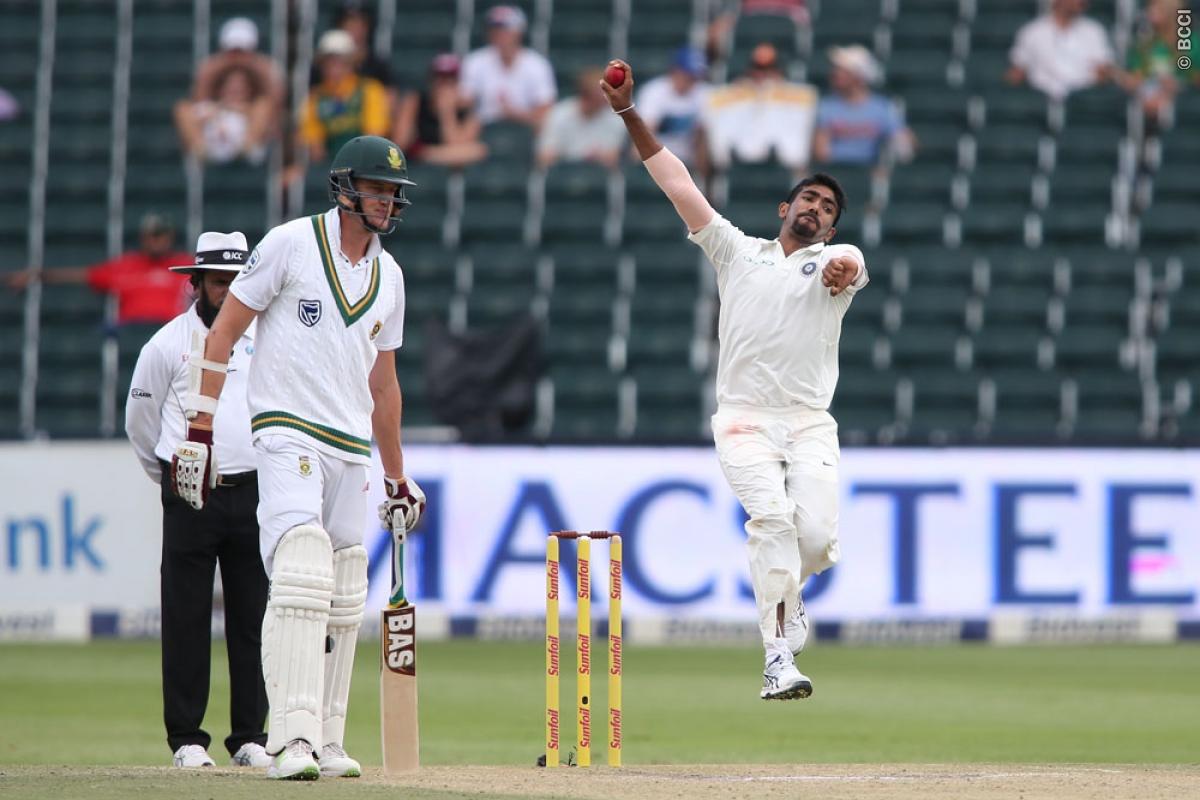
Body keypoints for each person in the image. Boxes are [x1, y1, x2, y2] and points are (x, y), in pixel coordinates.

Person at [602, 59, 867, 701]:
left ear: (831, 227)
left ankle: (789, 598)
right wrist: (628, 113)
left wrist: (844, 266)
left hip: (809, 422)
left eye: (827, 208)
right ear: (786, 207)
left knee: (814, 541)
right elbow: (675, 180)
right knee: (772, 521)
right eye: (808, 199)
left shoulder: (834, 262)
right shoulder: (736, 250)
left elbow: (852, 263)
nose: (815, 209)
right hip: (744, 419)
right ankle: (777, 657)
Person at [168, 135, 426, 780]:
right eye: (377, 189)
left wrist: (396, 475)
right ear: (345, 189)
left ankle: (328, 740)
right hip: (287, 429)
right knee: (302, 565)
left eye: (394, 192)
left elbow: (385, 386)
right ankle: (290, 739)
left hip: (351, 444)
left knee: (344, 582)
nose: (387, 201)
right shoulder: (289, 243)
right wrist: (199, 427)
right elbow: (224, 331)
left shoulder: (390, 277)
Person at [125, 232, 270, 771]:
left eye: (236, 281)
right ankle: (187, 738)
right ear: (197, 284)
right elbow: (140, 423)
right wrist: (168, 474)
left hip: (254, 490)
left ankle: (251, 736)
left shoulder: (264, 339)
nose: (227, 291)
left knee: (253, 618)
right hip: (191, 493)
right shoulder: (167, 344)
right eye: (217, 281)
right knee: (186, 616)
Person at [5, 213, 191, 325]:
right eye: (153, 235)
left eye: (161, 235)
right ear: (143, 238)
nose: (157, 241)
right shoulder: (125, 266)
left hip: (169, 329)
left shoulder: (184, 265)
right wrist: (36, 275)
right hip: (129, 330)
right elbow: (82, 275)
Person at [176, 18, 284, 162]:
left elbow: (274, 106)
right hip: (213, 142)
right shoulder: (210, 71)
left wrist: (240, 109)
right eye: (233, 51)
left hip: (246, 142)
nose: (237, 57)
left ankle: (246, 149)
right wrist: (221, 108)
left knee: (263, 106)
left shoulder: (258, 100)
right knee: (182, 108)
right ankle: (201, 152)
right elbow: (200, 104)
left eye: (242, 51)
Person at [300, 30, 392, 164]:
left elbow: (374, 137)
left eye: (340, 62)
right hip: (330, 165)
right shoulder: (315, 97)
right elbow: (314, 146)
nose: (333, 68)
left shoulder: (370, 90)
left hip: (365, 163)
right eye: (328, 62)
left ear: (351, 63)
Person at [813, 45, 915, 166]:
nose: (835, 73)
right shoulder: (826, 106)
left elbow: (905, 145)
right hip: (834, 172)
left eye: (842, 70)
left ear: (858, 76)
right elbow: (821, 153)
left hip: (869, 172)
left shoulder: (882, 107)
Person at [460, 4, 557, 128]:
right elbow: (465, 103)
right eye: (494, 30)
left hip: (525, 129)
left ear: (518, 32)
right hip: (483, 129)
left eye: (504, 29)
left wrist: (514, 114)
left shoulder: (538, 64)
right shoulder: (474, 61)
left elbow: (546, 112)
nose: (499, 35)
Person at [1006, 0, 1115, 100]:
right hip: (1040, 98)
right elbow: (1018, 69)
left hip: (1084, 99)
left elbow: (1103, 69)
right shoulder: (1033, 31)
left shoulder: (1094, 30)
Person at [394, 53, 488, 168]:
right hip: (416, 167)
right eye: (439, 78)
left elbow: (456, 152)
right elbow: (400, 143)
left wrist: (447, 112)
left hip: (447, 169)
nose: (444, 84)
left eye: (450, 79)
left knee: (478, 150)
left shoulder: (468, 112)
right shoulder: (415, 101)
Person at [536, 67, 628, 169]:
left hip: (599, 173)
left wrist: (599, 156)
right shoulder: (559, 114)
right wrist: (572, 158)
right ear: (586, 96)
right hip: (565, 172)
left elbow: (613, 158)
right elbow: (544, 157)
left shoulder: (616, 118)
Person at [1119, 0, 1193, 126]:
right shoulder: (1143, 42)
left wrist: (1175, 86)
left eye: (1155, 10)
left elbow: (1194, 76)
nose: (1149, 14)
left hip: (1182, 98)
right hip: (1148, 96)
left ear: (1169, 13)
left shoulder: (1190, 42)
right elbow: (1136, 74)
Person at [635, 47, 711, 168]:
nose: (691, 81)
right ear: (675, 71)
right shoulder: (654, 91)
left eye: (695, 77)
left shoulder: (704, 93)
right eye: (688, 76)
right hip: (656, 160)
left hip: (687, 163)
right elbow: (644, 135)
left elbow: (703, 137)